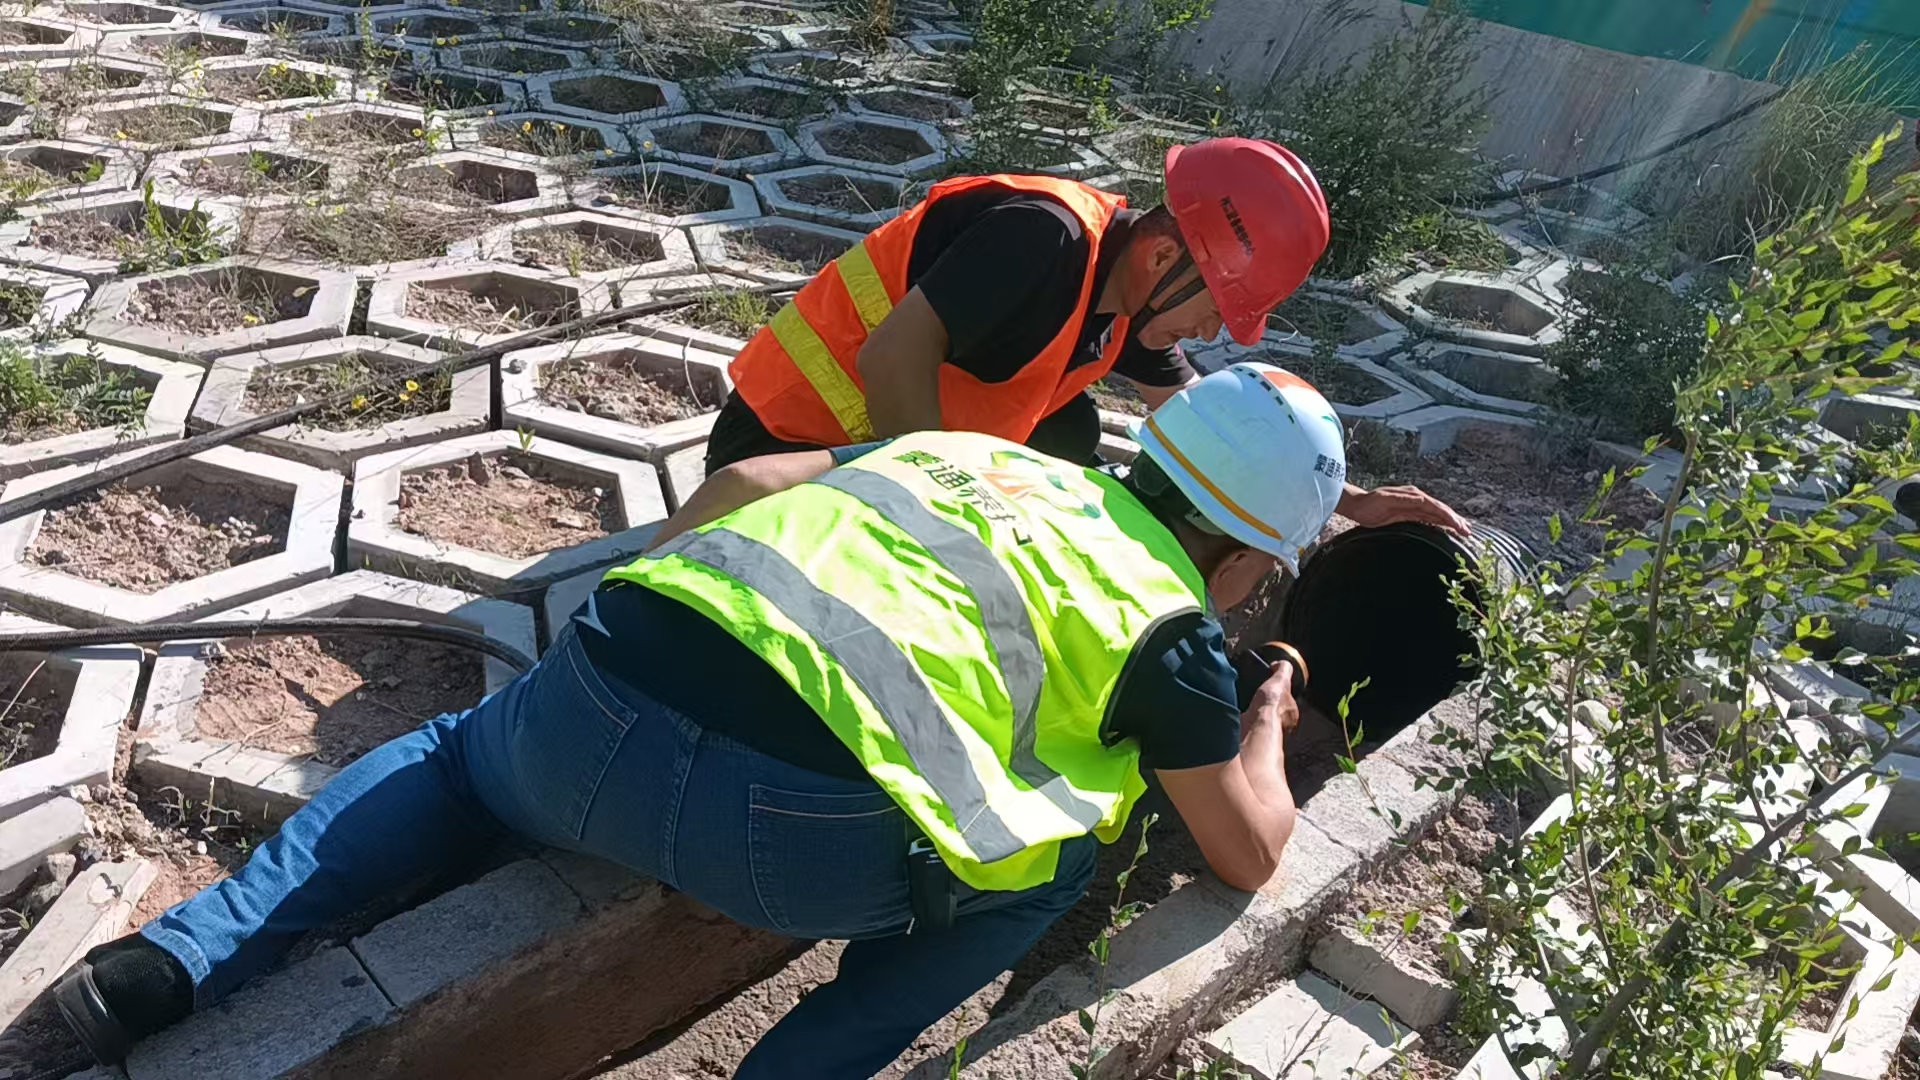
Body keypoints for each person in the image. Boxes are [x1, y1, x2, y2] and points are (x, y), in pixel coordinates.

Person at [51, 363, 1410, 1077]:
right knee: (1051, 860)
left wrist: (659, 611)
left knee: (456, 759)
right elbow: (1245, 852)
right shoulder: (1173, 632)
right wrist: (1270, 705)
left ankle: (168, 967)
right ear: (1249, 558)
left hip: (593, 706)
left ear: (1153, 453)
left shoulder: (973, 455)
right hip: (793, 845)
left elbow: (756, 479)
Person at [710, 134, 1468, 538]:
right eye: (1217, 307)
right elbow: (890, 357)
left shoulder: (1126, 299)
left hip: (862, 454)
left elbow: (1210, 426)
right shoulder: (1042, 238)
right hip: (778, 446)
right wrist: (936, 518)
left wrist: (1348, 501)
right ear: (1164, 256)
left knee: (1067, 435)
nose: (1214, 331)